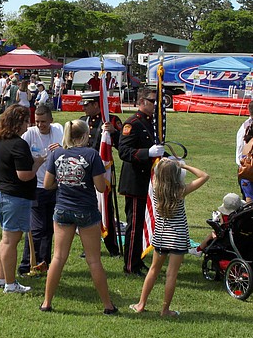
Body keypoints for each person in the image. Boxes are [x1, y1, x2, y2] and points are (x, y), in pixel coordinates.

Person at [39, 119, 119, 314]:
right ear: (84, 136)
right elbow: (100, 187)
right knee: (93, 260)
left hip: (63, 208)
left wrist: (65, 182)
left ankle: (47, 302)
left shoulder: (57, 153)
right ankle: (107, 305)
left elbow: (48, 183)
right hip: (86, 210)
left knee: (58, 257)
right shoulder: (91, 154)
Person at [130, 158, 209, 317]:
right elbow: (204, 176)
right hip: (178, 237)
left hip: (160, 235)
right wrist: (183, 165)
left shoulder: (155, 188)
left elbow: (159, 173)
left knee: (153, 270)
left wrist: (163, 164)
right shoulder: (180, 190)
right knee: (171, 275)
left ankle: (141, 304)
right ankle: (165, 310)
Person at [0, 105, 42, 294]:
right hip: (15, 197)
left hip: (1, 193)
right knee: (11, 241)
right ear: (17, 123)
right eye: (25, 121)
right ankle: (11, 284)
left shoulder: (1, 140)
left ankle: (2, 278)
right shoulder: (18, 144)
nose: (28, 126)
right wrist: (37, 164)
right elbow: (24, 175)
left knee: (5, 239)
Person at [119, 89, 165, 276]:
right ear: (141, 101)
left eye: (157, 102)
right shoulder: (133, 124)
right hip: (136, 182)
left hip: (148, 181)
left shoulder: (151, 123)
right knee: (135, 226)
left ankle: (138, 259)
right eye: (152, 101)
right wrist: (148, 153)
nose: (155, 105)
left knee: (143, 225)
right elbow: (124, 151)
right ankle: (130, 264)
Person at [19, 105, 64, 275]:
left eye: (43, 122)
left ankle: (43, 263)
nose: (40, 125)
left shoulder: (58, 131)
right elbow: (19, 152)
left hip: (54, 186)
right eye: (37, 121)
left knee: (49, 228)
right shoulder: (30, 134)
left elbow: (68, 148)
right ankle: (26, 264)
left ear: (51, 120)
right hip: (36, 187)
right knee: (36, 228)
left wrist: (61, 148)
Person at [80, 91, 123, 257]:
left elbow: (122, 146)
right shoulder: (82, 122)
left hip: (102, 172)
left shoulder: (111, 120)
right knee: (87, 209)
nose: (83, 108)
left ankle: (112, 246)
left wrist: (114, 132)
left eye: (86, 105)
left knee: (106, 209)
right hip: (84, 172)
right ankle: (89, 246)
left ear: (96, 105)